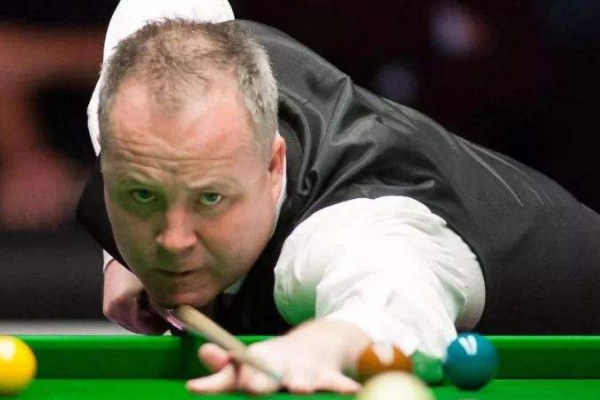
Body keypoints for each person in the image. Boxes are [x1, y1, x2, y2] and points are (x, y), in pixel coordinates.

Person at [77, 0, 600, 394]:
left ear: (273, 166)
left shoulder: (347, 233)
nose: (172, 241)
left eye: (210, 199)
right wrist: (120, 255)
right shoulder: (145, 76)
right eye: (141, 194)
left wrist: (320, 345)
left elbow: (393, 298)